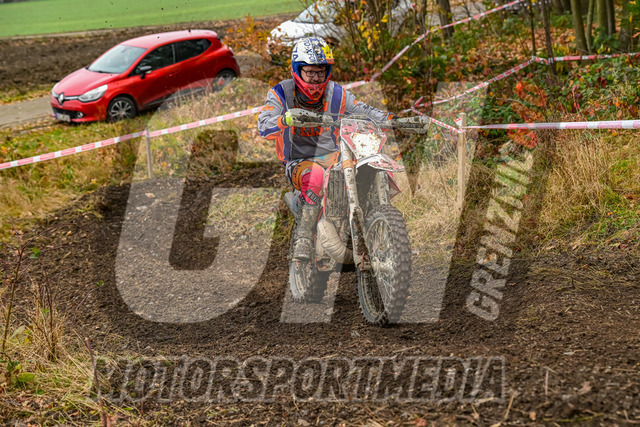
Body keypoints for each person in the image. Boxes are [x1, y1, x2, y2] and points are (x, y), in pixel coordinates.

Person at [258, 36, 394, 262]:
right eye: (310, 72)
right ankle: (303, 237)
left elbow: (362, 110)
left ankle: (374, 225)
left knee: (367, 169)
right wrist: (284, 119)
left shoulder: (337, 93)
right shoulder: (281, 93)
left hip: (335, 157)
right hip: (299, 162)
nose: (316, 78)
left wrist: (390, 119)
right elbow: (263, 126)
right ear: (297, 70)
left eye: (320, 72)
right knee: (316, 176)